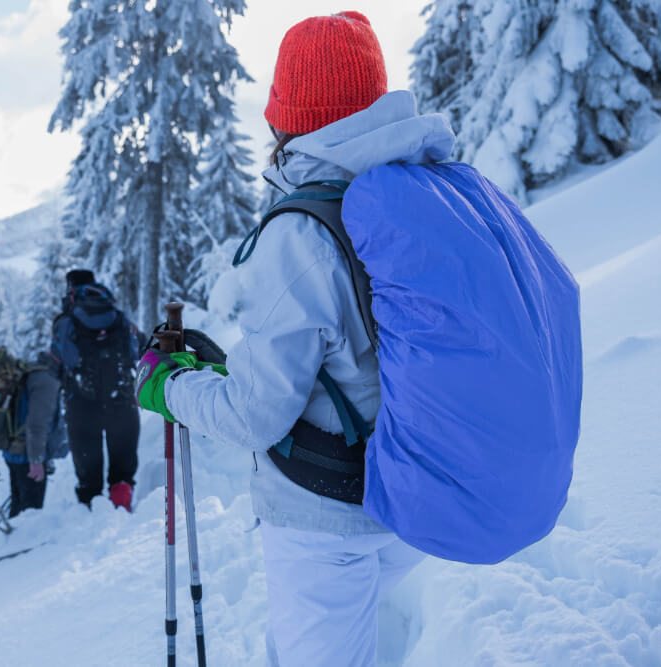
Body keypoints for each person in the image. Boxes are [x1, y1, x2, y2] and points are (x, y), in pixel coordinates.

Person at [135, 12, 457, 666]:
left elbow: (256, 414)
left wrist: (168, 388)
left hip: (326, 519)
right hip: (413, 494)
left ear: (291, 118)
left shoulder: (301, 233)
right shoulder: (421, 186)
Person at [51, 269, 142, 511]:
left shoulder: (66, 321)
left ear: (70, 289)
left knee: (88, 467)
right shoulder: (116, 316)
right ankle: (122, 505)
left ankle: (91, 511)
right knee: (123, 467)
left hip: (82, 403)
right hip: (121, 400)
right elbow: (137, 349)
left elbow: (57, 361)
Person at [2, 350, 62, 518]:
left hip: (15, 450)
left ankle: (11, 541)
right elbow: (37, 424)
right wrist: (36, 461)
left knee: (18, 507)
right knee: (29, 515)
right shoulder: (47, 380)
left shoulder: (36, 371)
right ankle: (24, 544)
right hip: (27, 456)